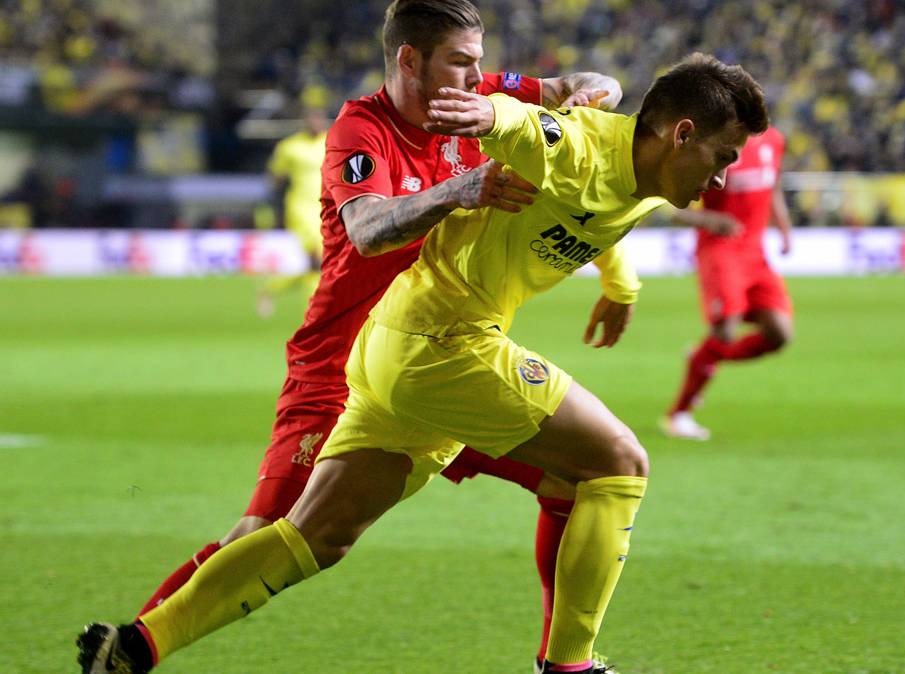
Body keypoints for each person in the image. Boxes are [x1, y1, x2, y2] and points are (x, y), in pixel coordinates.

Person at [77, 51, 768, 674]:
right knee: (619, 462)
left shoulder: (644, 176)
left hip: (394, 345)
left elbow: (603, 210)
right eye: (725, 154)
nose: (726, 174)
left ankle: (137, 645)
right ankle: (570, 671)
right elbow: (531, 130)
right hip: (448, 345)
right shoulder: (578, 143)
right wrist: (486, 113)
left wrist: (621, 286)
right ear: (681, 133)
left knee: (317, 535)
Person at [661, 126, 793, 440]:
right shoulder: (713, 144)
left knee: (779, 334)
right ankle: (679, 414)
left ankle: (702, 357)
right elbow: (668, 206)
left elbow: (773, 188)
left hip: (756, 252)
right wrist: (710, 220)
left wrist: (785, 229)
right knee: (726, 329)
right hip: (720, 249)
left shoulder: (774, 140)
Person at [257, 106, 328, 317]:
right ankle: (315, 311)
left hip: (325, 207)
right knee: (318, 259)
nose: (317, 124)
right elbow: (275, 177)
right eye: (313, 119)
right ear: (305, 122)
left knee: (318, 265)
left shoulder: (332, 141)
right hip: (300, 209)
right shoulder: (289, 147)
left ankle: (270, 289)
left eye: (320, 119)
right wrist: (271, 207)